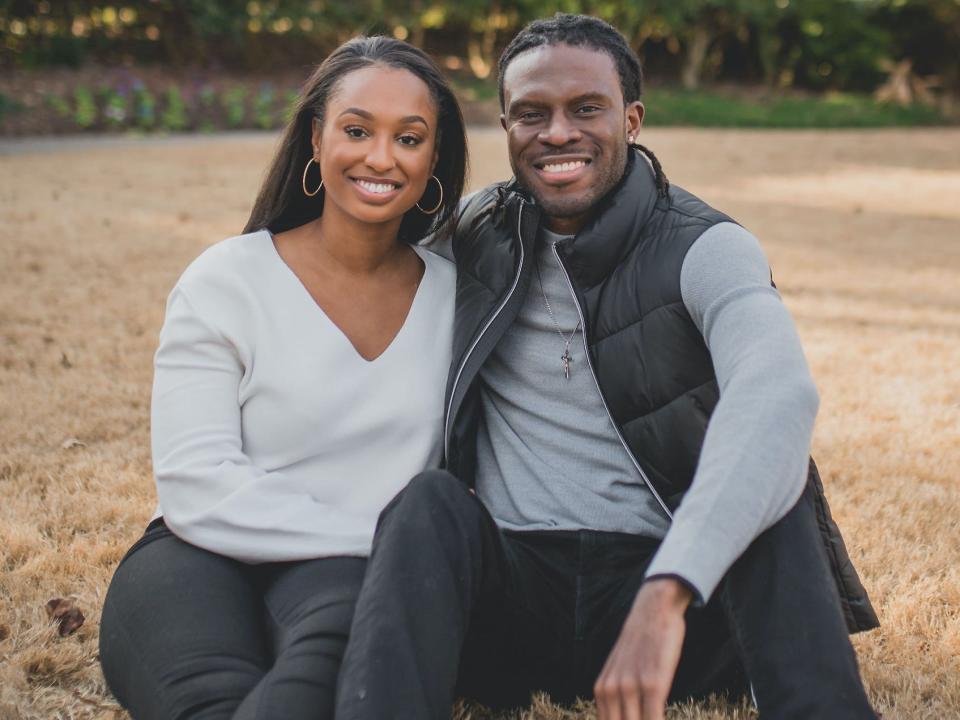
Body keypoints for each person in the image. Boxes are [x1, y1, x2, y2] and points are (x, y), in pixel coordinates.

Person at [335, 14, 879, 720]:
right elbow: (352, 272)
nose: (557, 133)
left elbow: (778, 392)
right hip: (513, 606)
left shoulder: (705, 247)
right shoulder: (473, 232)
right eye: (531, 114)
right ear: (505, 125)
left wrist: (670, 588)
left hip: (674, 610)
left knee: (775, 479)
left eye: (585, 109)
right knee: (425, 505)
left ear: (633, 118)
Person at [98, 36, 467, 720]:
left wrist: (394, 563)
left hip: (346, 579)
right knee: (204, 702)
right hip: (197, 553)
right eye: (357, 130)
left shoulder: (461, 298)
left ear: (434, 157)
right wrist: (386, 545)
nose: (381, 158)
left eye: (409, 138)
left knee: (326, 675)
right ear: (316, 138)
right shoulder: (227, 279)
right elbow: (194, 480)